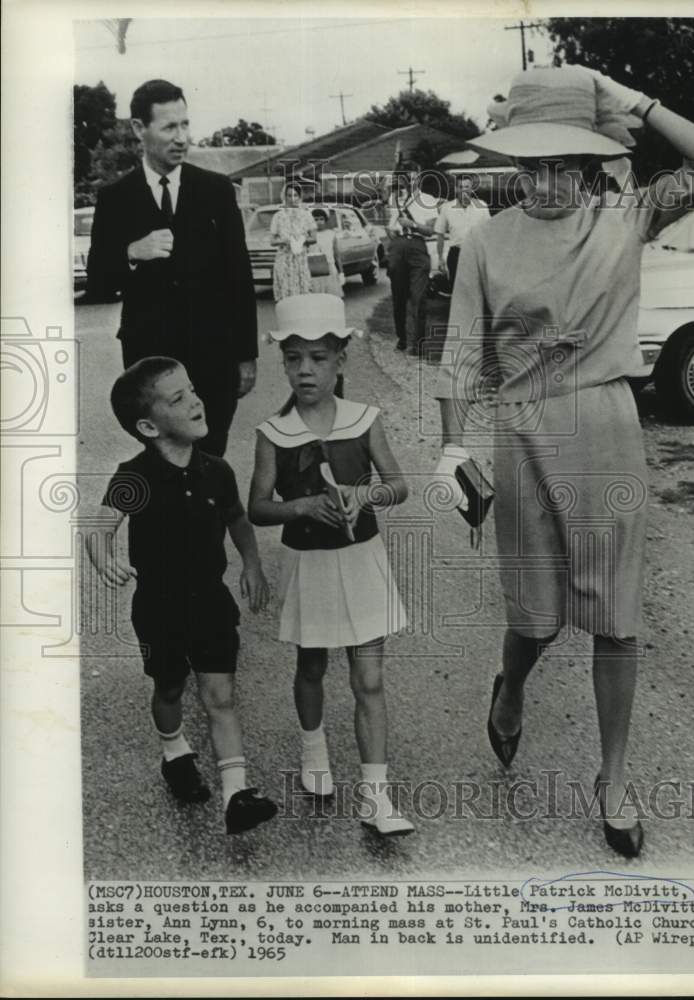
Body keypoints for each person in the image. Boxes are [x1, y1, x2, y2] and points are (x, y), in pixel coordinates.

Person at [434, 66, 694, 857]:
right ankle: (510, 697)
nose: (546, 181)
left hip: (604, 419)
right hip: (521, 428)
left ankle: (612, 778)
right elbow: (461, 353)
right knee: (533, 617)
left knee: (613, 612)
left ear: (591, 162)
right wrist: (450, 446)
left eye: (563, 164)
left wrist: (637, 102)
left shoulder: (624, 215)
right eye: (530, 165)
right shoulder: (485, 242)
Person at [86, 357, 277, 835]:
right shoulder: (136, 476)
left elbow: (236, 519)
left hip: (211, 602)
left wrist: (251, 565)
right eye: (178, 398)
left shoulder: (217, 470)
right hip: (159, 609)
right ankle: (174, 750)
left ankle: (237, 794)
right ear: (148, 425)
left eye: (192, 390)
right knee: (168, 688)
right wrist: (103, 554)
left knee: (220, 696)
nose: (196, 400)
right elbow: (100, 526)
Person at [247, 294, 414, 837]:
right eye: (294, 359)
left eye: (318, 358)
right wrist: (300, 506)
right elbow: (257, 505)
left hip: (361, 560)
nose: (305, 370)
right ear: (284, 363)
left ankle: (376, 797)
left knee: (369, 678)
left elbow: (399, 485)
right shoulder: (274, 433)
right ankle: (313, 750)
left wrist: (366, 497)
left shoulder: (365, 421)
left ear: (340, 361)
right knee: (312, 666)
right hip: (309, 565)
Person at [86, 79, 257, 458]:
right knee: (163, 463)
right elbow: (97, 281)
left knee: (210, 458)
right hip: (149, 362)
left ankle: (210, 517)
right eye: (168, 127)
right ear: (138, 129)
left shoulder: (216, 191)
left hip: (214, 359)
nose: (181, 138)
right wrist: (131, 251)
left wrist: (246, 355)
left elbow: (239, 278)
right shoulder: (115, 198)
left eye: (184, 125)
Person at [385, 167, 438, 355]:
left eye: (413, 177)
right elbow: (390, 224)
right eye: (406, 177)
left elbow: (431, 230)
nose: (409, 181)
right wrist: (391, 233)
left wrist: (412, 225)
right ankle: (402, 338)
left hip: (417, 246)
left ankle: (418, 343)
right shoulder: (393, 199)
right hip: (398, 247)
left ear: (419, 178)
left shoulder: (427, 200)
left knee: (419, 296)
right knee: (398, 297)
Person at [434, 173, 491, 288]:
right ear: (456, 189)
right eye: (460, 187)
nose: (464, 190)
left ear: (472, 188)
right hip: (456, 254)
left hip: (476, 254)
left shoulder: (482, 206)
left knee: (477, 288)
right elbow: (440, 234)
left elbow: (489, 233)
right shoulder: (447, 208)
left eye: (467, 187)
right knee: (457, 290)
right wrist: (440, 259)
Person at [270, 183, 317, 302]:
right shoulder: (278, 216)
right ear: (284, 197)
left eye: (295, 195)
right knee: (286, 296)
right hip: (284, 260)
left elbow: (314, 238)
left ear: (300, 197)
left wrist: (301, 240)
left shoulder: (306, 215)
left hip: (300, 260)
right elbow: (272, 241)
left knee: (303, 294)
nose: (292, 199)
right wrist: (285, 241)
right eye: (289, 195)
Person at [309, 207, 344, 297]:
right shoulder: (309, 236)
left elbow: (337, 255)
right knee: (316, 296)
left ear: (325, 220)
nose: (319, 222)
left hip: (329, 268)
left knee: (331, 296)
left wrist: (341, 273)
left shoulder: (331, 234)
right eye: (316, 219)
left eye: (321, 219)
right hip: (314, 268)